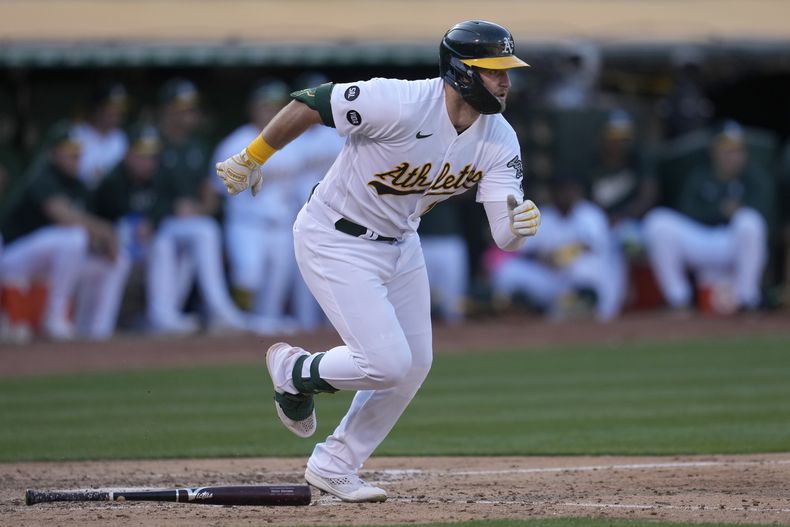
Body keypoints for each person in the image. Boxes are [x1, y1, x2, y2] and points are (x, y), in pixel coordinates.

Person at [216, 20, 540, 502]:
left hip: (402, 241)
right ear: (462, 73)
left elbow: (503, 231)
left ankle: (335, 463)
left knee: (414, 364)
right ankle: (295, 371)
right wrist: (254, 155)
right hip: (334, 236)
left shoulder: (500, 138)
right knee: (386, 363)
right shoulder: (399, 101)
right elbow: (311, 101)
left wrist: (518, 226)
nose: (505, 81)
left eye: (506, 71)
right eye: (494, 71)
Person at [0, 122, 130, 340]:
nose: (75, 157)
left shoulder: (79, 184)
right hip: (15, 258)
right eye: (69, 152)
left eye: (77, 152)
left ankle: (97, 330)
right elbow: (62, 215)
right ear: (52, 152)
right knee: (73, 238)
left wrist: (103, 243)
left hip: (53, 262)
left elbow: (89, 231)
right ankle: (54, 316)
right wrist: (104, 230)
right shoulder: (42, 176)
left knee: (117, 259)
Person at [153, 78, 252, 334]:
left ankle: (172, 315)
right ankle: (217, 310)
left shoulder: (196, 147)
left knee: (199, 234)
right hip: (150, 223)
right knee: (202, 232)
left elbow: (209, 196)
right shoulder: (151, 142)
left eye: (191, 107)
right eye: (181, 107)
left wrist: (199, 208)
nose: (189, 113)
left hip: (184, 225)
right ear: (166, 109)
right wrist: (173, 207)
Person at [643, 121, 771, 313]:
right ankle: (677, 299)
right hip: (701, 241)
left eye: (737, 151)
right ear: (714, 151)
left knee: (749, 221)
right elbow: (687, 212)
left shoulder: (754, 178)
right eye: (727, 150)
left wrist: (736, 213)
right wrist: (720, 211)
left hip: (732, 241)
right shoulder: (700, 176)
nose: (732, 157)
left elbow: (764, 215)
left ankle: (748, 298)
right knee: (658, 221)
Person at [489, 175, 621, 321]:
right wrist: (543, 257)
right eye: (562, 191)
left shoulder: (590, 214)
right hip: (551, 277)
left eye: (570, 190)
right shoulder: (543, 214)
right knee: (508, 270)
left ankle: (586, 309)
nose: (566, 195)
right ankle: (517, 312)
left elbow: (594, 247)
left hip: (580, 277)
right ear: (553, 193)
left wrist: (563, 255)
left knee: (585, 267)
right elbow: (526, 251)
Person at [73, 82, 130, 189]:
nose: (117, 113)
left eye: (120, 108)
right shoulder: (76, 134)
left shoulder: (122, 138)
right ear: (98, 107)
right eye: (111, 107)